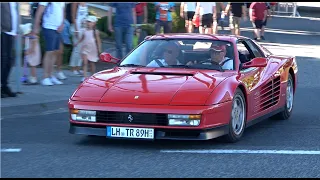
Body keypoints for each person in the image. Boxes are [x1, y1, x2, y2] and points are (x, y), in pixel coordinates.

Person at [32, 2, 65, 86]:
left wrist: (62, 24)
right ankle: (45, 77)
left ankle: (51, 75)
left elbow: (62, 11)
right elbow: (39, 11)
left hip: (58, 28)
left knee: (55, 52)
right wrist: (35, 27)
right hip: (48, 26)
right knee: (49, 51)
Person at [74, 16, 101, 82]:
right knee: (85, 62)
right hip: (85, 48)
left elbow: (98, 41)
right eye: (87, 22)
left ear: (94, 23)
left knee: (92, 63)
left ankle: (92, 75)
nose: (88, 23)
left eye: (90, 22)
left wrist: (99, 49)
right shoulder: (84, 31)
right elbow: (82, 38)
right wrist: (77, 43)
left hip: (93, 49)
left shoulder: (95, 32)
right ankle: (84, 76)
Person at [1, 2, 18, 97]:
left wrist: (16, 30)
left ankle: (4, 85)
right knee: (3, 59)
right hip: (3, 31)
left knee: (9, 60)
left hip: (11, 32)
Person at [55, 2, 73, 80]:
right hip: (54, 24)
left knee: (60, 51)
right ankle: (51, 73)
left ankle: (59, 71)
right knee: (53, 52)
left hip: (63, 24)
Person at [69, 2, 88, 75]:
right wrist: (76, 29)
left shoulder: (85, 4)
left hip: (83, 28)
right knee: (76, 48)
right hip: (77, 28)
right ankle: (73, 67)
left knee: (82, 48)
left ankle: (78, 67)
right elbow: (73, 16)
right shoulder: (75, 3)